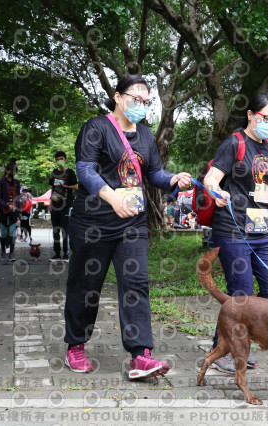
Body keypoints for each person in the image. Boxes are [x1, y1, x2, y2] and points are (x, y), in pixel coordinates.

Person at [64, 74, 191, 378]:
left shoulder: (146, 135)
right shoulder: (96, 128)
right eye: (136, 99)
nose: (142, 106)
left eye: (147, 102)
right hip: (93, 223)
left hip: (132, 224)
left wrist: (173, 179)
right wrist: (111, 198)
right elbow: (85, 169)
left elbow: (155, 174)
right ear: (118, 97)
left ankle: (141, 354)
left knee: (136, 284)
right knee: (87, 286)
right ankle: (76, 345)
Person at [202, 93, 268, 373]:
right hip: (232, 229)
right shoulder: (234, 143)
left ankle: (244, 338)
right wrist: (217, 190)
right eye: (265, 117)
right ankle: (220, 349)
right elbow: (210, 177)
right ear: (250, 115)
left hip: (261, 231)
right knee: (242, 293)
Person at [49, 151, 78, 262]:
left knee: (65, 230)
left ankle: (66, 254)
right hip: (55, 205)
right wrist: (50, 202)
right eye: (57, 159)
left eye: (61, 158)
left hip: (66, 205)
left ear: (65, 160)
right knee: (55, 230)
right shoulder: (54, 173)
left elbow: (76, 186)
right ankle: (57, 254)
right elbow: (53, 188)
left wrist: (65, 186)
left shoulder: (70, 172)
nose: (59, 160)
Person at [0, 158, 21, 261]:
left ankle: (11, 253)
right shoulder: (1, 182)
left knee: (12, 232)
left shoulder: (16, 182)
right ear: (7, 170)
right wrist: (7, 205)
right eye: (11, 171)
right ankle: (3, 252)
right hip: (2, 210)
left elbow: (18, 197)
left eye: (14, 171)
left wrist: (19, 210)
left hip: (14, 211)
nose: (12, 173)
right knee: (3, 232)